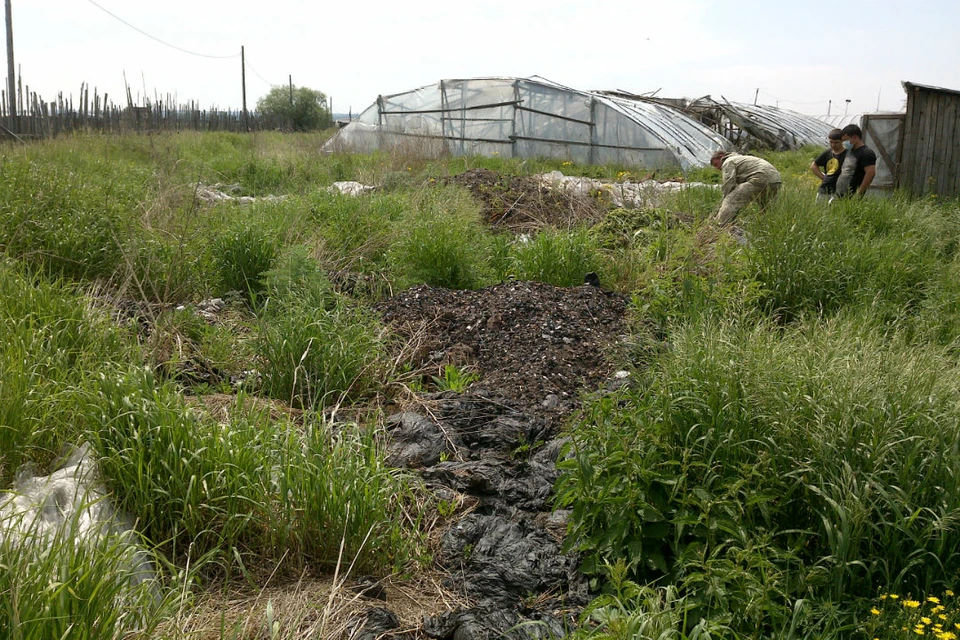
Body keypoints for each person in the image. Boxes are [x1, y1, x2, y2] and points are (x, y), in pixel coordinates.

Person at [710, 151, 783, 226]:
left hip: (759, 178)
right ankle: (768, 226)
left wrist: (724, 199)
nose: (717, 168)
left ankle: (719, 226)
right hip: (776, 181)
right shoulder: (742, 158)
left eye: (716, 164)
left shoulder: (728, 161)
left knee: (731, 200)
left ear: (721, 157)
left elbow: (729, 184)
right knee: (767, 208)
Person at [834, 124, 877, 198]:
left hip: (852, 196)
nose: (844, 143)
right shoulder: (850, 151)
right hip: (841, 195)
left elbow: (871, 173)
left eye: (845, 140)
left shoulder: (866, 152)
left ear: (854, 137)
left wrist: (859, 194)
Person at [810, 128, 847, 200]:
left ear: (842, 141)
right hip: (824, 189)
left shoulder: (848, 154)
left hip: (839, 190)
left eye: (836, 142)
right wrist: (823, 178)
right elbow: (813, 166)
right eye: (831, 142)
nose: (833, 145)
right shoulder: (827, 153)